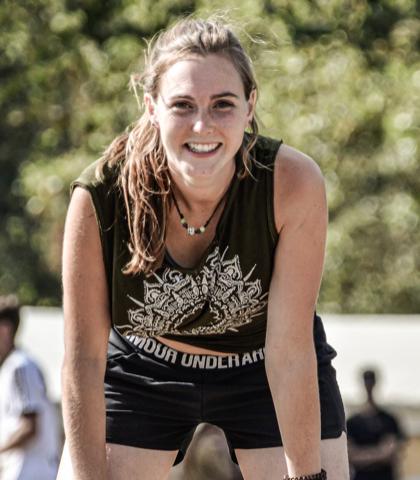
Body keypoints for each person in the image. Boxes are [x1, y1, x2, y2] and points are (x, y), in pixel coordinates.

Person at [57, 16, 349, 480]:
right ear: (152, 108)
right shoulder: (101, 196)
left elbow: (290, 351)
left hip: (262, 365)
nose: (202, 125)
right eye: (182, 105)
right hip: (144, 366)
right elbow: (84, 361)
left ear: (250, 106)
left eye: (222, 104)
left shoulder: (292, 183)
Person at [0, 295, 60, 480]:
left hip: (30, 471)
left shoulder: (20, 366)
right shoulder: (12, 366)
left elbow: (29, 426)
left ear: (5, 330)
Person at [346, 369, 406, 480]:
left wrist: (361, 455)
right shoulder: (351, 423)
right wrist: (379, 453)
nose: (369, 385)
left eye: (370, 381)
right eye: (367, 381)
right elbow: (350, 455)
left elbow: (390, 453)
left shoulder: (389, 420)